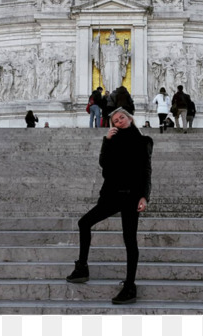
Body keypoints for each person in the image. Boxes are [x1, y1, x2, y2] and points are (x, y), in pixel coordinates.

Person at [65, 108, 153, 305]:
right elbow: (104, 164)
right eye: (115, 120)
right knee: (84, 223)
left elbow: (146, 171)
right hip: (111, 195)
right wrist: (106, 141)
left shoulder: (144, 141)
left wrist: (144, 197)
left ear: (130, 118)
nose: (119, 121)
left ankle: (130, 285)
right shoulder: (112, 140)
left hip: (131, 196)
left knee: (130, 240)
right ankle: (82, 268)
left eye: (122, 117)